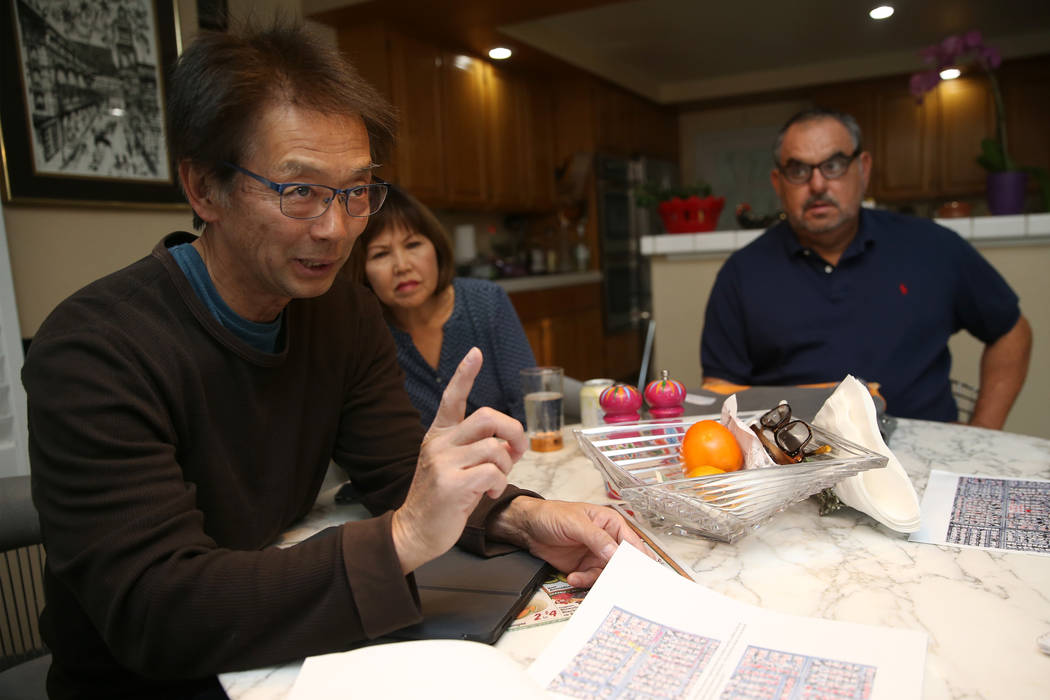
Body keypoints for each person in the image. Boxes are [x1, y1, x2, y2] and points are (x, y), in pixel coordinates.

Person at [22, 23, 643, 698]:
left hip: (277, 644)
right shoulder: (96, 349)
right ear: (204, 189)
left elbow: (396, 465)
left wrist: (525, 517)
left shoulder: (338, 312)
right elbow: (158, 610)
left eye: (355, 191)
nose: (336, 227)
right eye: (300, 191)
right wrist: (403, 537)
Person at [700, 107, 1031, 427]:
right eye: (798, 170)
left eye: (834, 165)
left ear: (864, 167)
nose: (817, 185)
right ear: (778, 182)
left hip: (923, 451)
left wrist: (985, 426)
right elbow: (721, 389)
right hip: (794, 462)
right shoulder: (742, 274)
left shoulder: (933, 246)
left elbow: (1011, 331)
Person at [344, 186, 535, 428]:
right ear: (362, 272)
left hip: (509, 458)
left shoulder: (486, 300)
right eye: (380, 254)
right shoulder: (366, 334)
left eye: (413, 245)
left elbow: (530, 407)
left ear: (436, 248)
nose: (402, 266)